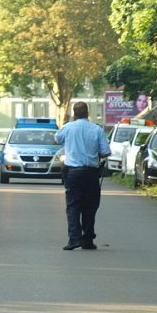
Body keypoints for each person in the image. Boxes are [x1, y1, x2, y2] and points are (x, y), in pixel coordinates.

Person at [55, 102, 110, 250]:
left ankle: (74, 239)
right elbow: (105, 152)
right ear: (87, 114)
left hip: (72, 172)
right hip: (91, 173)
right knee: (90, 206)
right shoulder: (97, 130)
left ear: (74, 114)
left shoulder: (68, 128)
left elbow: (57, 139)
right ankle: (87, 239)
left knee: (73, 206)